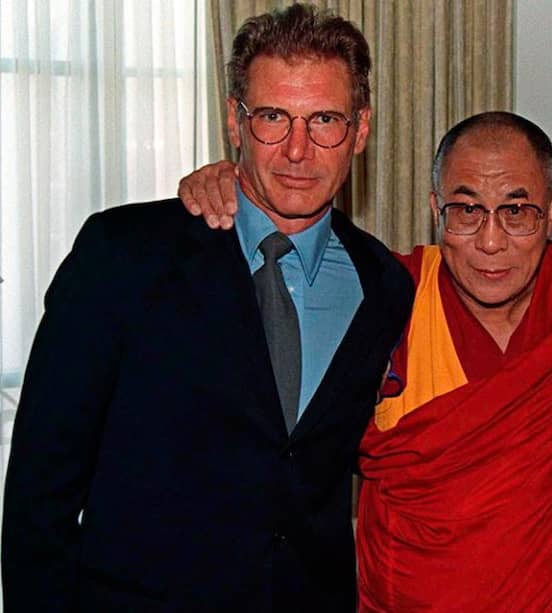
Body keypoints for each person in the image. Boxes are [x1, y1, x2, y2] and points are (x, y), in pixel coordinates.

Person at [179, 108, 552, 609]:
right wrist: (229, 192)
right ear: (436, 207)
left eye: (517, 211)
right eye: (466, 211)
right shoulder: (383, 294)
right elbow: (261, 315)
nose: (492, 241)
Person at [1, 4, 414, 612]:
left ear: (361, 128)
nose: (297, 150)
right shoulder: (123, 256)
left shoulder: (384, 285)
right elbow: (42, 488)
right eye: (273, 117)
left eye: (324, 119)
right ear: (234, 121)